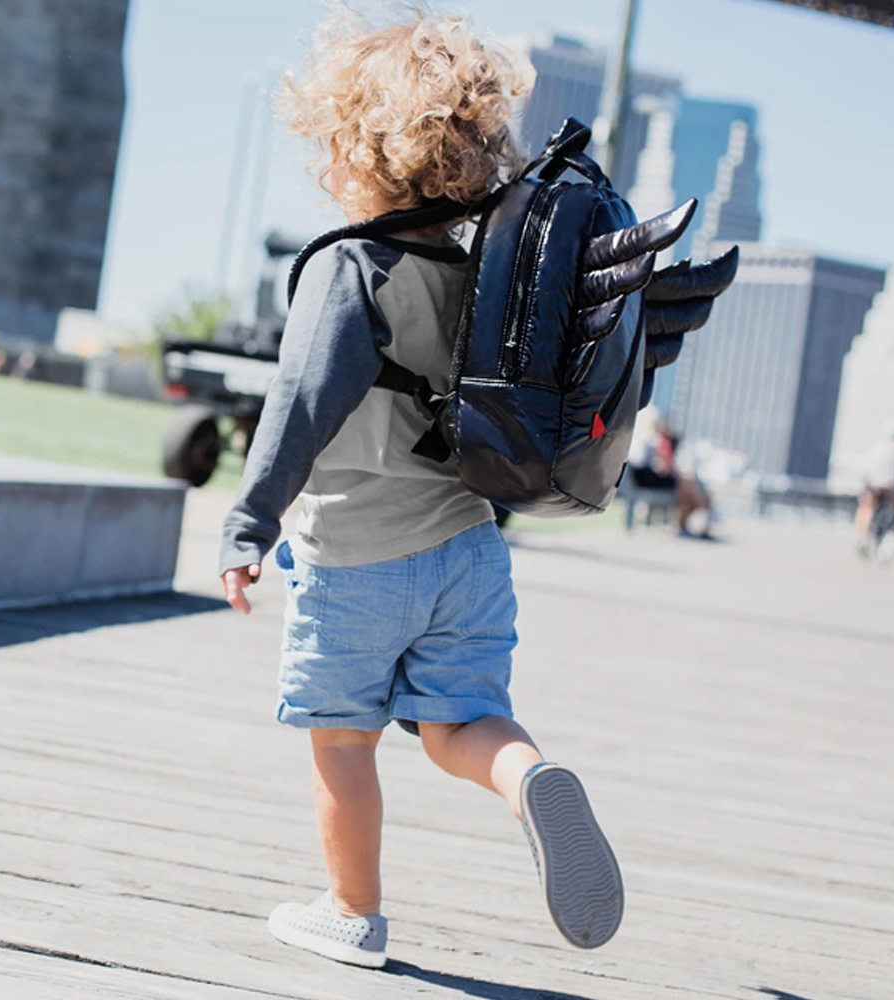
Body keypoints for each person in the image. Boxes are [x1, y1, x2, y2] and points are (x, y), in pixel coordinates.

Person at [218, 5, 622, 969]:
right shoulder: (492, 272)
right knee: (460, 723)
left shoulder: (353, 266)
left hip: (356, 556)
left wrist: (246, 523)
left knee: (343, 743)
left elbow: (301, 404)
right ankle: (529, 777)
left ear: (353, 146)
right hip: (469, 553)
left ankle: (352, 914)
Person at [627, 405, 713, 537]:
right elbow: (660, 466)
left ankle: (694, 517)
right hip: (647, 478)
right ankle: (703, 511)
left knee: (686, 486)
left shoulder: (648, 439)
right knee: (685, 486)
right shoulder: (652, 440)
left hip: (648, 477)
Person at [855, 422, 894, 557]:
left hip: (875, 484)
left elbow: (868, 466)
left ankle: (863, 537)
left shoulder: (878, 447)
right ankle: (889, 541)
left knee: (866, 509)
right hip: (892, 487)